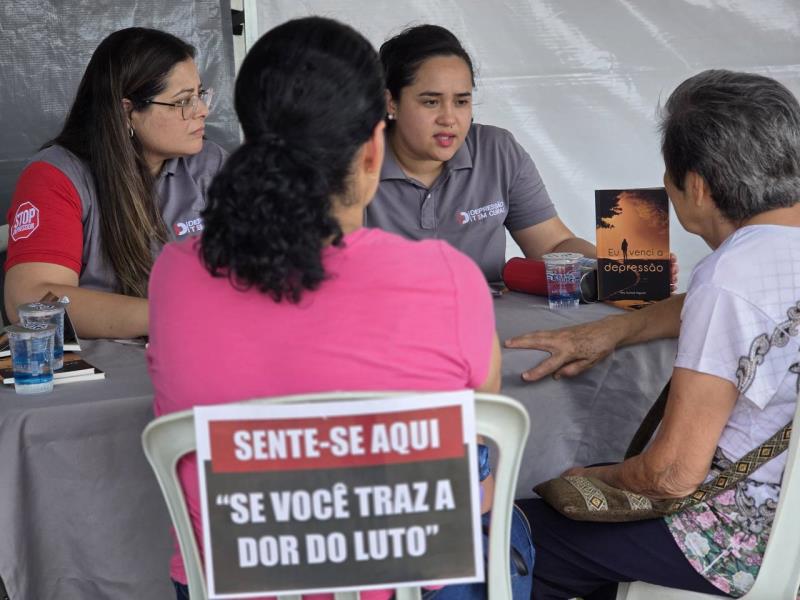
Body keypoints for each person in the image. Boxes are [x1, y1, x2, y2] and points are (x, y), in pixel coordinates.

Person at [146, 16, 532, 600]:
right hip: (410, 587)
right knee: (513, 523)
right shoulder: (448, 277)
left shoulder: (174, 274)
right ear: (375, 146)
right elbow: (477, 444)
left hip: (235, 589)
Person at [517, 69, 800, 598]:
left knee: (517, 537)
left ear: (694, 186)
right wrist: (618, 329)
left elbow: (671, 475)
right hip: (789, 522)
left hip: (741, 536)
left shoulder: (733, 276)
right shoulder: (774, 257)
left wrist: (591, 478)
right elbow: (750, 313)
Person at [4, 27, 226, 338]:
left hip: (203, 351)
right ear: (127, 111)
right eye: (184, 101)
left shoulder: (211, 164)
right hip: (102, 371)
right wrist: (175, 313)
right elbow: (31, 298)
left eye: (200, 94)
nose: (202, 111)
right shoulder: (56, 176)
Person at [365, 24, 594, 282]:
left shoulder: (496, 151)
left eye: (461, 101)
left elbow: (552, 246)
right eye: (431, 102)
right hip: (385, 319)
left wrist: (618, 270)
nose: (449, 118)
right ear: (391, 102)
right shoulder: (353, 163)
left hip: (491, 320)